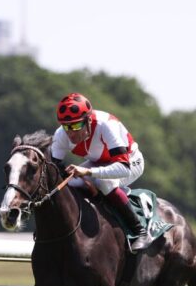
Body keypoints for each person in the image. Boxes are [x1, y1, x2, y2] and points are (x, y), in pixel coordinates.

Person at [51, 93, 151, 252]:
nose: (70, 133)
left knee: (103, 182)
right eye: (66, 126)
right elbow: (53, 171)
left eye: (76, 126)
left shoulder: (106, 126)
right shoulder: (60, 135)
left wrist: (88, 171)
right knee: (68, 183)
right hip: (100, 162)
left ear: (88, 121)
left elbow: (123, 167)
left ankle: (140, 231)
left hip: (130, 161)